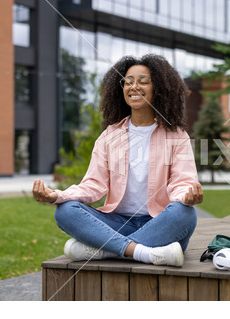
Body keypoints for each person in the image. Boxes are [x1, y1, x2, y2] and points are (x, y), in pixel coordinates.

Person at [32, 54, 203, 267]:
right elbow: (93, 185)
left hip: (159, 223)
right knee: (65, 211)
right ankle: (144, 252)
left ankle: (107, 251)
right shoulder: (109, 136)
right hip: (116, 224)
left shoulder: (176, 135)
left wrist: (187, 197)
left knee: (185, 214)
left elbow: (182, 182)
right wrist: (57, 195)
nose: (134, 86)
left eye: (143, 81)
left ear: (158, 88)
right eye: (128, 81)